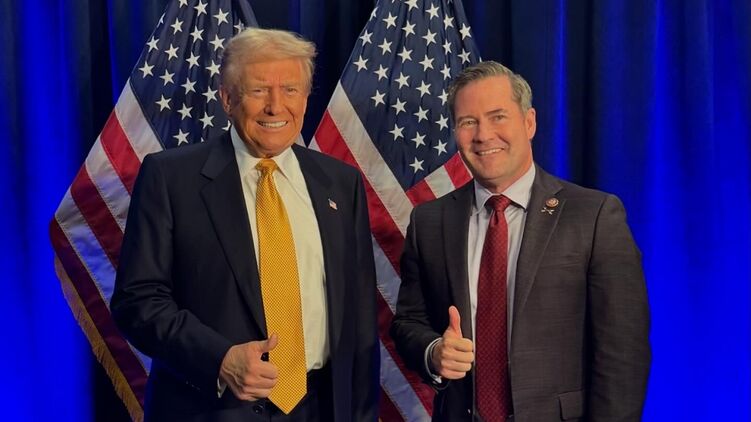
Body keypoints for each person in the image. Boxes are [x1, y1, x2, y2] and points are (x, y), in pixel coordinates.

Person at [111, 28, 379, 421]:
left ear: (306, 98)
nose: (276, 106)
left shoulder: (340, 183)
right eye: (258, 90)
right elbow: (137, 301)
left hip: (321, 409)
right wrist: (218, 359)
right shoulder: (170, 178)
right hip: (211, 409)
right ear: (227, 99)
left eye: (290, 90)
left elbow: (359, 316)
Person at [390, 61, 650, 421]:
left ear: (529, 122)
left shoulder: (594, 216)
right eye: (468, 122)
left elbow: (623, 354)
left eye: (498, 117)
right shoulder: (430, 221)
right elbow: (408, 322)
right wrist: (434, 351)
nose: (483, 135)